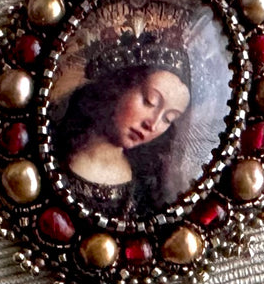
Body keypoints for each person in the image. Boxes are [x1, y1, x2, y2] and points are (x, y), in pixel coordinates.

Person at [51, 36, 192, 220]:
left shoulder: (145, 189)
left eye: (168, 118)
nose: (153, 124)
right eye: (150, 101)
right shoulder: (54, 149)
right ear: (119, 88)